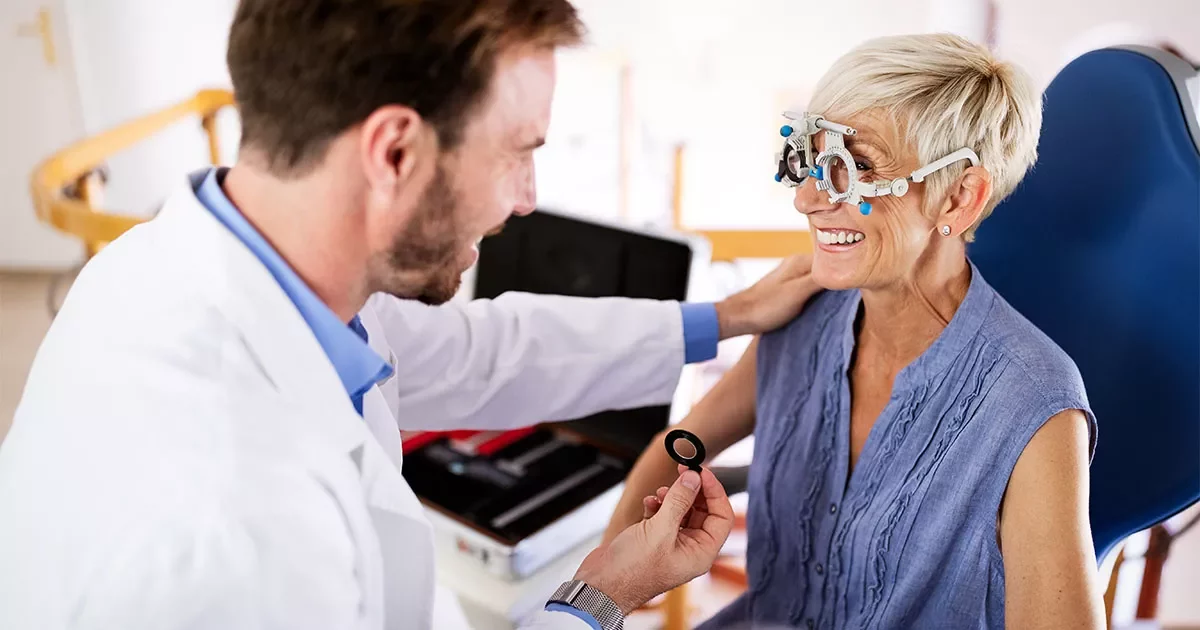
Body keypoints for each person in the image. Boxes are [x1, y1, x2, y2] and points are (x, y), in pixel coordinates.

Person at [0, 1, 824, 629]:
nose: (526, 202)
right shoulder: (238, 535)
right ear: (394, 152)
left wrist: (727, 314)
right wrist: (600, 596)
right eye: (518, 153)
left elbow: (479, 351)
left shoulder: (194, 260)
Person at [606, 34, 1107, 629]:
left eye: (855, 166)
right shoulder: (804, 317)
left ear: (958, 199)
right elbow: (679, 443)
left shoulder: (1033, 402)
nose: (808, 199)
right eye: (811, 161)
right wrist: (605, 596)